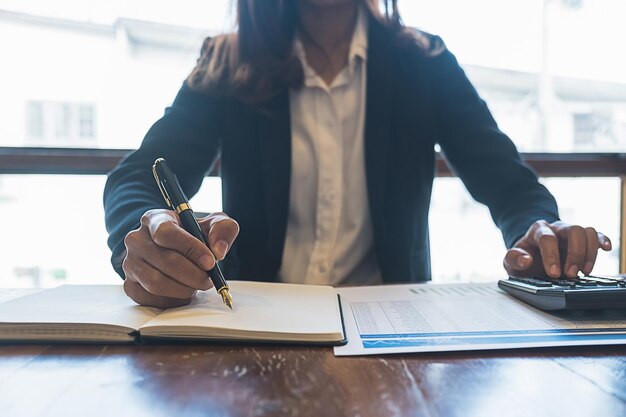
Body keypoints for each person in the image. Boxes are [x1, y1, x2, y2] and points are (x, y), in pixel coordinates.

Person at [104, 0, 611, 308]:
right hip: (255, 325)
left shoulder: (424, 62)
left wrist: (540, 228)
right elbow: (139, 178)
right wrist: (146, 234)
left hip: (393, 335)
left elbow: (508, 182)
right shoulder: (230, 62)